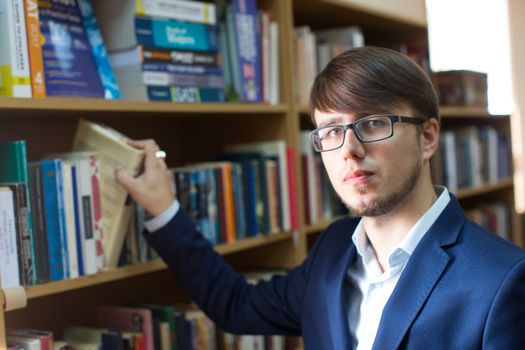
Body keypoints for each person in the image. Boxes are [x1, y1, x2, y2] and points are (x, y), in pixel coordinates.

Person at [115, 46, 525, 349]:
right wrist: (162, 209)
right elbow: (235, 304)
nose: (350, 149)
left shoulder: (503, 280)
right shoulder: (333, 251)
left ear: (428, 137)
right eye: (331, 130)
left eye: (374, 122)